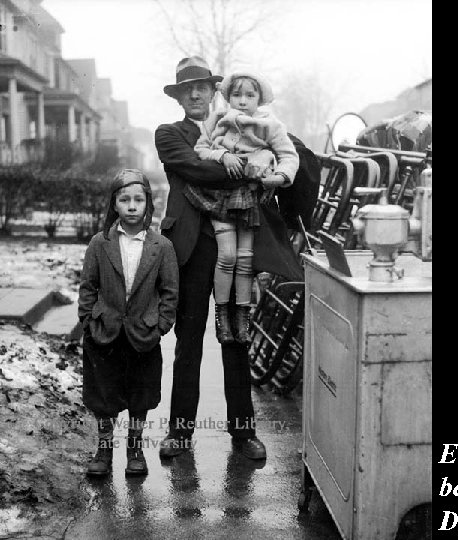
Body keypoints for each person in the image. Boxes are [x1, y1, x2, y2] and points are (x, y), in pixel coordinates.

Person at [155, 56, 305, 460]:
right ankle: (180, 433)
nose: (196, 95)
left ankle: (244, 434)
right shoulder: (170, 134)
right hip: (191, 246)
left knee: (236, 336)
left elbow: (292, 154)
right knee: (188, 343)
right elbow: (196, 171)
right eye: (188, 90)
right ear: (179, 97)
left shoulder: (242, 121)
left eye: (202, 87)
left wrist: (278, 164)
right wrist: (255, 165)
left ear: (213, 90)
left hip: (239, 243)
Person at [186, 69, 299, 344]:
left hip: (249, 196)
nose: (242, 100)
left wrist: (280, 176)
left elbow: (288, 155)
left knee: (246, 258)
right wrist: (222, 154)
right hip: (220, 194)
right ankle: (222, 315)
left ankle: (242, 317)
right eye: (236, 95)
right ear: (227, 98)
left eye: (250, 95)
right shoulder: (217, 119)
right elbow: (200, 149)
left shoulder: (269, 124)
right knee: (227, 256)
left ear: (260, 98)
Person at [79, 169, 179, 477]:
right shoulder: (100, 243)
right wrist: (88, 321)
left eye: (138, 200)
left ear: (148, 203)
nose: (132, 206)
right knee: (103, 395)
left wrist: (160, 325)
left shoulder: (161, 246)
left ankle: (135, 448)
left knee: (141, 393)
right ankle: (104, 448)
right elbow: (88, 285)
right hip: (104, 333)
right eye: (125, 200)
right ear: (115, 205)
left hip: (143, 334)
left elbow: (170, 291)